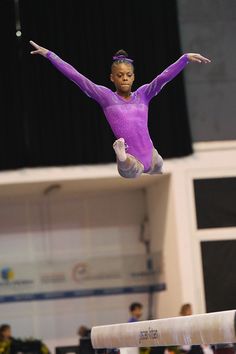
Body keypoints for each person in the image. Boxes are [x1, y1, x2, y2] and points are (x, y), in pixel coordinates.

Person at [30, 41, 210, 178]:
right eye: (120, 75)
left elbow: (162, 78)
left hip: (151, 154)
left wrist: (184, 59)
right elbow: (78, 78)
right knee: (130, 169)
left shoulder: (143, 94)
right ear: (112, 78)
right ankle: (122, 155)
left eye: (128, 75)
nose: (124, 78)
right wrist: (50, 55)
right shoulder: (106, 97)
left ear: (133, 77)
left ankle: (148, 161)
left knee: (158, 166)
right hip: (135, 159)